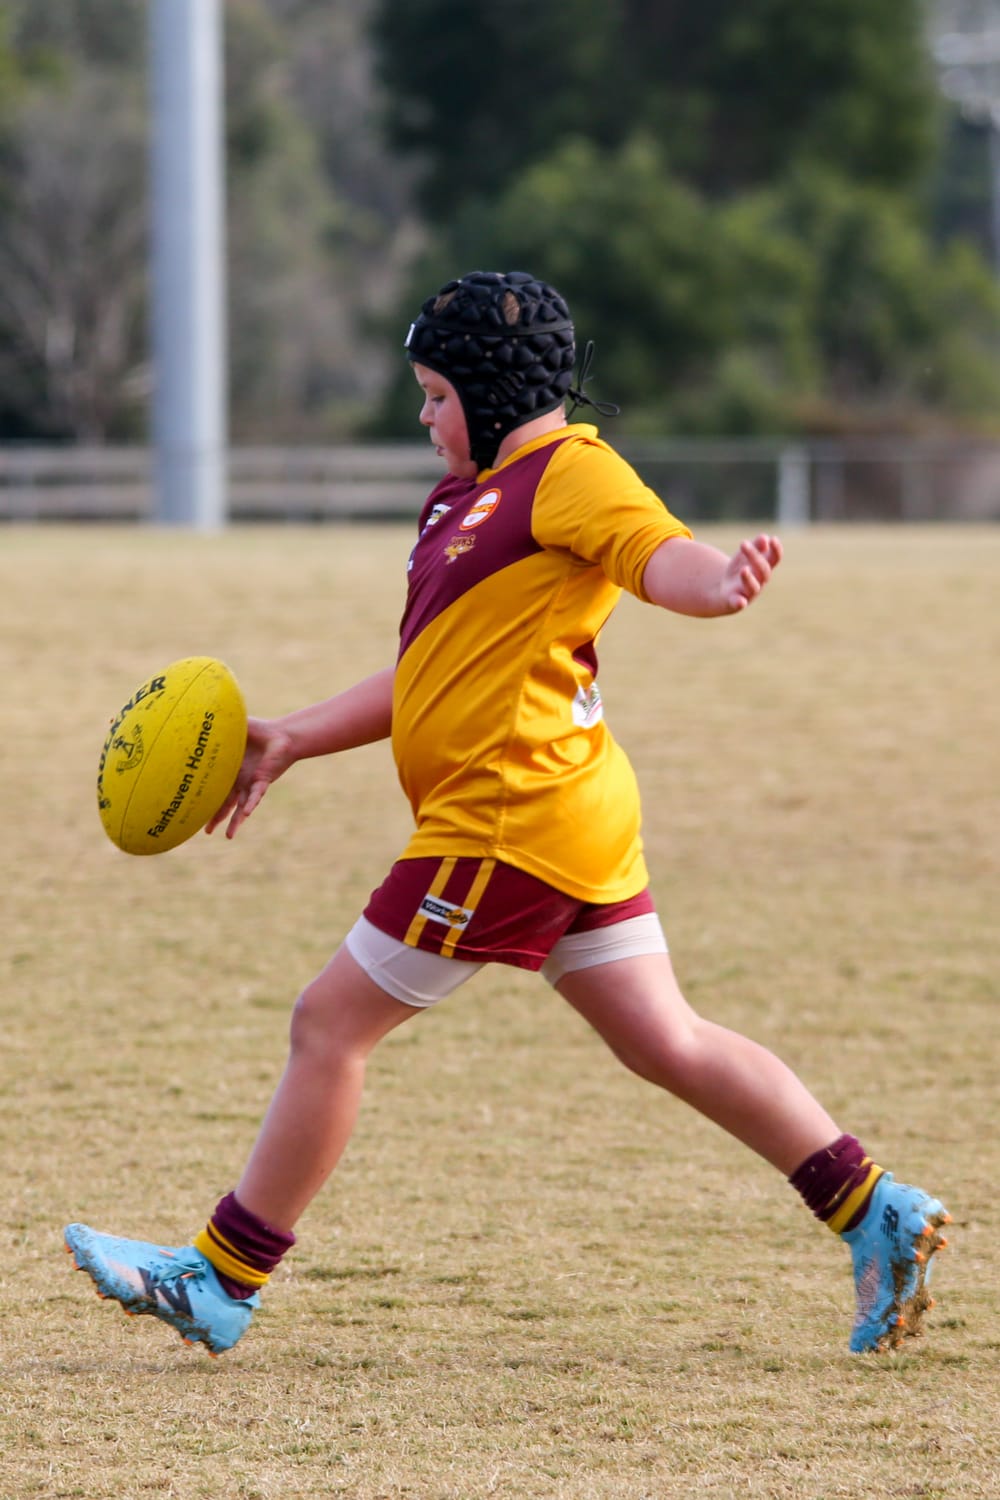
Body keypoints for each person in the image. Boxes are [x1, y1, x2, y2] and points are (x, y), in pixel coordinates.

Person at [65, 270, 950, 1358]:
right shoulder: (462, 501)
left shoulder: (569, 473)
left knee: (329, 1024)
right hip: (564, 814)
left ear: (489, 395)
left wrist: (717, 582)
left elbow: (656, 554)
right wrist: (293, 734)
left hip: (504, 823)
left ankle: (222, 1276)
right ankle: (876, 1209)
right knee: (666, 1039)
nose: (425, 417)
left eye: (437, 396)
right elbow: (428, 671)